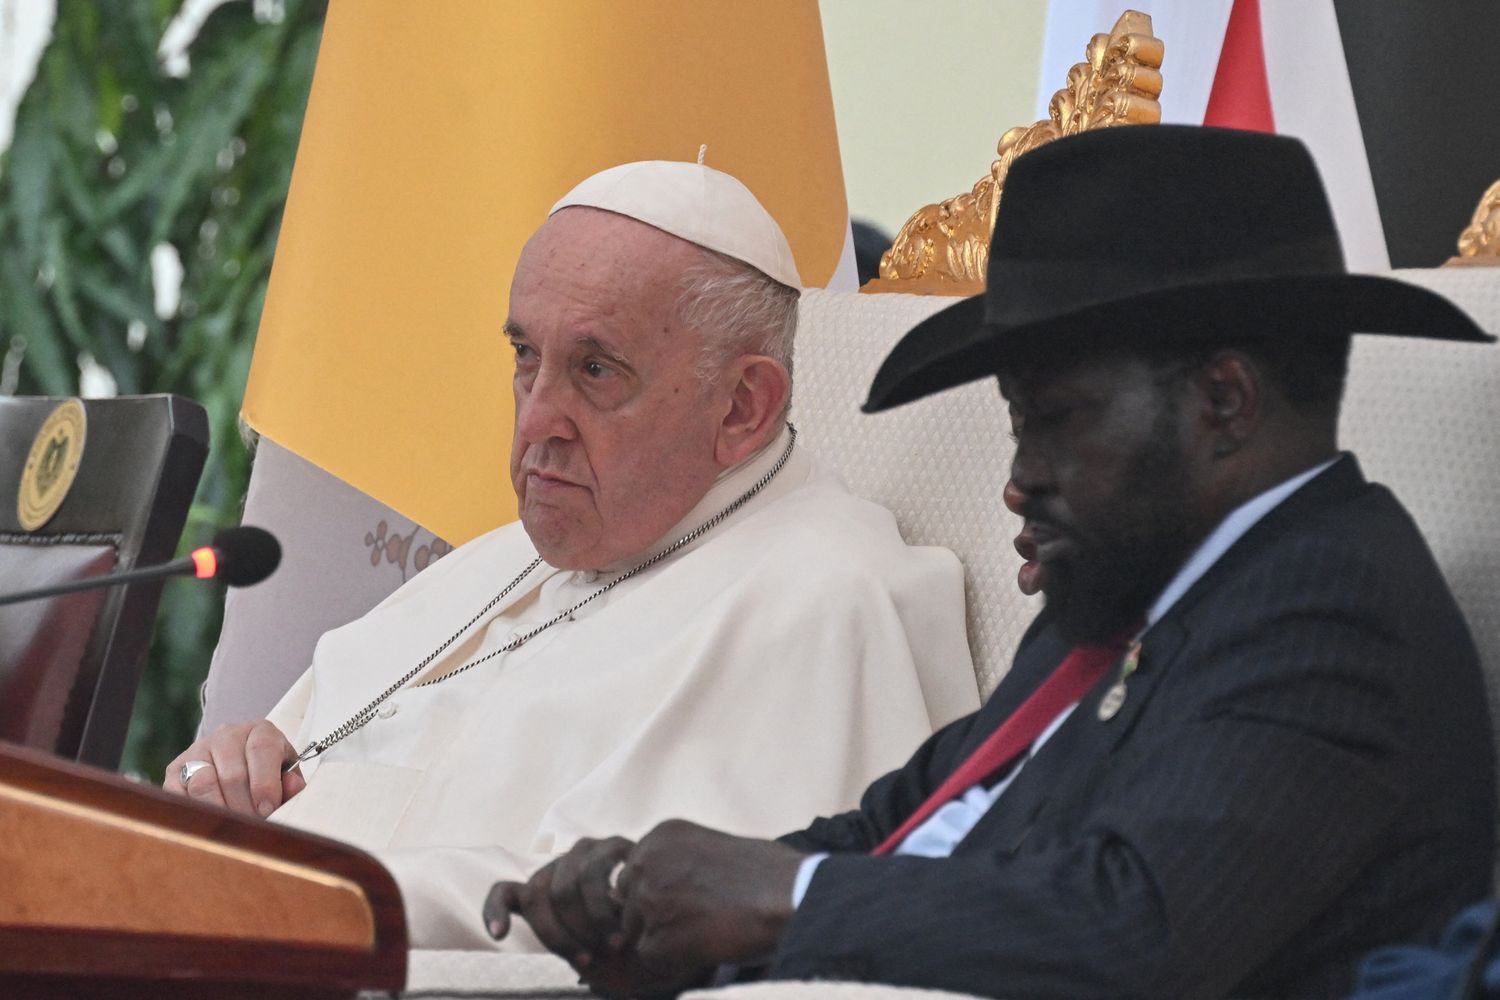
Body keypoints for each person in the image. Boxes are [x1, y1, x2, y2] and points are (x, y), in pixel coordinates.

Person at [488, 126, 1497, 998]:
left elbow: (1137, 929)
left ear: (1223, 401)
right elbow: (915, 818)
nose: (1021, 478)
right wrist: (649, 901)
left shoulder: (1333, 601)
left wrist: (782, 900)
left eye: (1055, 421)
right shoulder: (1125, 592)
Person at [163, 159, 980, 949]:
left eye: (595, 370)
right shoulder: (504, 562)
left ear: (742, 406)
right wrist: (237, 775)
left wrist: (285, 874)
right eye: (526, 358)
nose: (536, 421)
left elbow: (622, 920)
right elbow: (268, 764)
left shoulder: (829, 600)